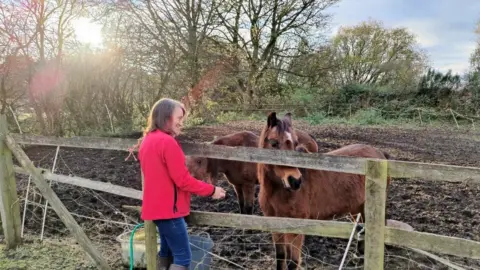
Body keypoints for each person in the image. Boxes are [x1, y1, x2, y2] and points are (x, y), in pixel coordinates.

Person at [138, 98, 226, 270]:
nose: (181, 123)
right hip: (170, 211)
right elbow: (183, 180)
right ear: (166, 117)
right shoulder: (167, 142)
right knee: (183, 257)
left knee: (166, 251)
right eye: (179, 119)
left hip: (157, 209)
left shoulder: (147, 141)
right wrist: (211, 190)